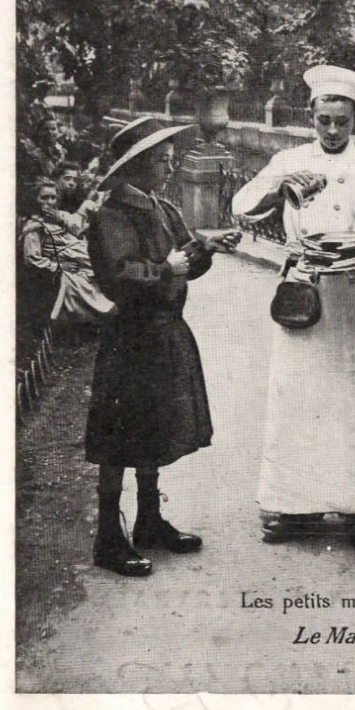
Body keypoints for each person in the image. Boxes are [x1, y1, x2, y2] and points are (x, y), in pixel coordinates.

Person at [232, 65, 355, 553]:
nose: (334, 131)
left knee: (349, 400)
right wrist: (279, 189)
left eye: (342, 121)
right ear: (311, 117)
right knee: (297, 398)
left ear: (354, 119)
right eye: (325, 121)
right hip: (303, 294)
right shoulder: (290, 159)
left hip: (347, 302)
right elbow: (240, 207)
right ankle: (293, 506)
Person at [85, 117, 240, 577]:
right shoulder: (113, 215)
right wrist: (165, 268)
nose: (170, 168)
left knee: (154, 429)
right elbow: (119, 277)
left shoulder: (162, 207)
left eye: (170, 160)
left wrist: (208, 249)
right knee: (118, 438)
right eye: (163, 161)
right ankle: (109, 540)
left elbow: (185, 264)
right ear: (139, 166)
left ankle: (149, 520)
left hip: (164, 333)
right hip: (131, 339)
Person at [20, 179, 115, 324]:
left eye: (53, 197)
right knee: (94, 290)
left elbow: (77, 229)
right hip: (73, 265)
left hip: (85, 255)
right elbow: (32, 259)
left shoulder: (60, 216)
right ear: (34, 200)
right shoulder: (34, 227)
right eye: (44, 198)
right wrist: (58, 266)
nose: (50, 202)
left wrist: (61, 220)